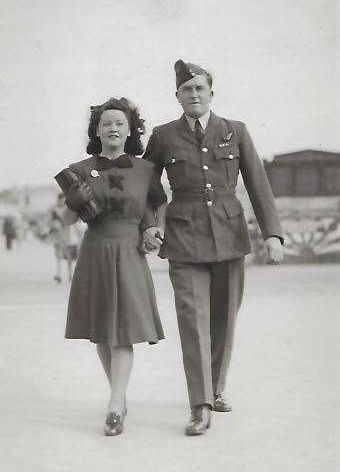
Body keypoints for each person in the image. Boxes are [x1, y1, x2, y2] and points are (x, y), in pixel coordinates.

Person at [143, 59, 284, 436]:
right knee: (193, 322)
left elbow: (258, 183)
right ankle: (200, 404)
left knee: (224, 317)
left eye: (199, 88)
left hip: (229, 236)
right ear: (177, 96)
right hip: (184, 238)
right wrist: (150, 225)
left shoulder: (234, 131)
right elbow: (147, 186)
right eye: (186, 90)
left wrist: (272, 234)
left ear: (210, 93)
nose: (193, 94)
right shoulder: (162, 136)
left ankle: (216, 388)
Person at [59, 97, 166, 436]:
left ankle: (116, 403)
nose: (113, 128)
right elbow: (67, 218)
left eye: (119, 122)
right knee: (102, 331)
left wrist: (153, 230)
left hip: (129, 251)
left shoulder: (146, 169)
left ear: (131, 129)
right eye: (106, 123)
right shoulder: (78, 169)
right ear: (97, 130)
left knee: (122, 331)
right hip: (95, 250)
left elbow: (156, 208)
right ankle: (118, 397)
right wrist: (71, 206)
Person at [49, 193, 74, 282]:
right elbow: (51, 221)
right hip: (57, 234)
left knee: (68, 255)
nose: (62, 201)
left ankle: (70, 274)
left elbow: (71, 220)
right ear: (58, 200)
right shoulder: (55, 210)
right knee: (58, 255)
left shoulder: (67, 209)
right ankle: (58, 274)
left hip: (66, 233)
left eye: (64, 199)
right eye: (61, 199)